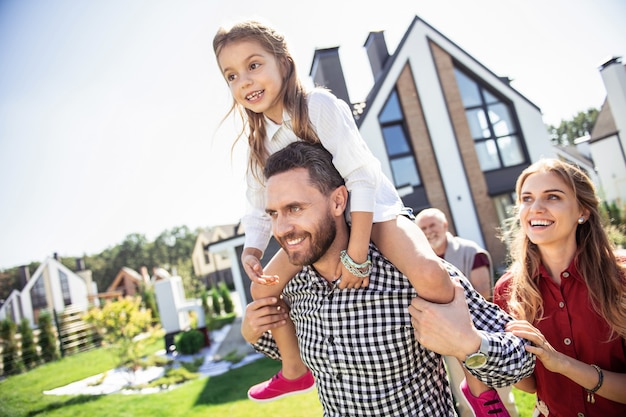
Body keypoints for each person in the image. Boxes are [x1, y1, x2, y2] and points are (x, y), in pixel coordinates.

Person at [213, 19, 454, 402]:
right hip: (321, 224)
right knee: (262, 289)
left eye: (254, 65)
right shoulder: (258, 142)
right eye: (231, 75)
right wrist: (253, 249)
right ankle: (294, 371)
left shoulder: (317, 106)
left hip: (372, 210)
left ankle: (478, 387)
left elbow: (362, 177)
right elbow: (258, 204)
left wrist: (357, 254)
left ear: (283, 63)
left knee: (429, 274)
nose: (243, 81)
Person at [242, 141, 535, 416]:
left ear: (338, 201)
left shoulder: (406, 272)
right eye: (274, 214)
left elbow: (523, 362)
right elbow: (312, 355)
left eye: (295, 208)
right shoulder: (292, 286)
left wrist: (469, 344)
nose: (282, 228)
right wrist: (254, 333)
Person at [493, 158, 626, 416]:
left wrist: (561, 363)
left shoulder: (620, 277)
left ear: (583, 212)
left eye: (552, 197)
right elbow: (530, 385)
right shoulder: (508, 290)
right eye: (527, 198)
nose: (536, 208)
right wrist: (484, 351)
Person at [416, 208, 519, 417]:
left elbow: (483, 293)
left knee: (497, 398)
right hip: (447, 341)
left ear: (445, 226)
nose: (428, 231)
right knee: (465, 402)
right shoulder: (419, 260)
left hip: (481, 336)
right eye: (423, 228)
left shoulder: (470, 251)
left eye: (432, 225)